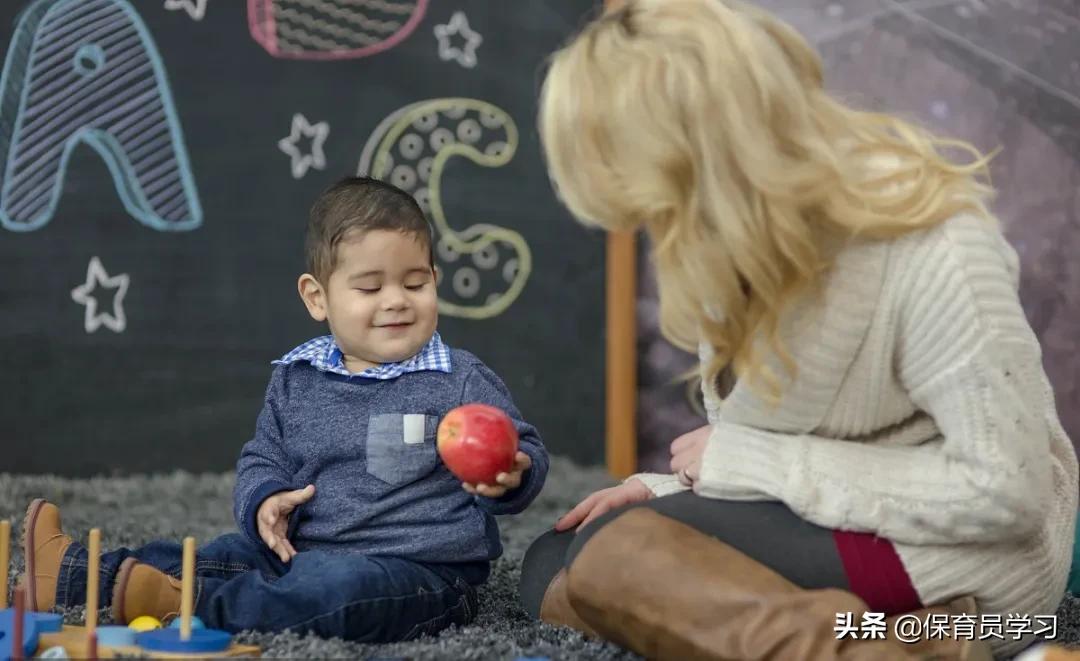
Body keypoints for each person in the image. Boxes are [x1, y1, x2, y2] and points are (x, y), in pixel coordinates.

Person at [519, 1, 1077, 659]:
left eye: (656, 208)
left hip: (966, 559)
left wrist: (744, 463)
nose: (651, 233)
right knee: (555, 562)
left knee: (613, 557)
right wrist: (674, 487)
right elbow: (792, 456)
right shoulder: (740, 245)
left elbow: (1006, 491)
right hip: (848, 524)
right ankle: (916, 643)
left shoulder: (938, 248)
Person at [21, 176, 548, 642]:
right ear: (317, 298)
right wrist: (265, 501)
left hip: (420, 573)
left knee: (338, 590)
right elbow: (262, 457)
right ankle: (71, 573)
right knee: (215, 554)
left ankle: (180, 604)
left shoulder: (457, 378)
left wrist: (510, 476)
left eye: (416, 283)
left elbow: (522, 448)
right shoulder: (297, 377)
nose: (396, 300)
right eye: (369, 286)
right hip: (300, 550)